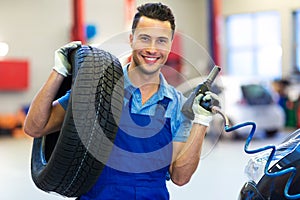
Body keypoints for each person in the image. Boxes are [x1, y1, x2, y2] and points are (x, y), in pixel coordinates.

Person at [24, 3, 219, 199]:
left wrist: (201, 122)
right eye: (145, 38)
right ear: (131, 39)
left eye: (161, 41)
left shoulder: (177, 105)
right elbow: (35, 127)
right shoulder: (97, 89)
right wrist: (59, 71)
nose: (152, 49)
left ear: (169, 45)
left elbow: (180, 177)